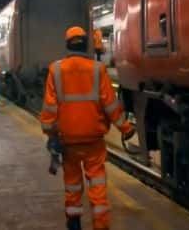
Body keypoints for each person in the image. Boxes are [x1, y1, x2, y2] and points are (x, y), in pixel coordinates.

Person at [40, 26, 136, 230]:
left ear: (67, 45)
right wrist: (126, 128)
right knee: (98, 185)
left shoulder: (55, 70)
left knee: (72, 184)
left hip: (68, 141)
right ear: (85, 44)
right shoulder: (98, 69)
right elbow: (111, 105)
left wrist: (50, 134)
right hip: (93, 141)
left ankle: (74, 222)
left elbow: (49, 107)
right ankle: (100, 225)